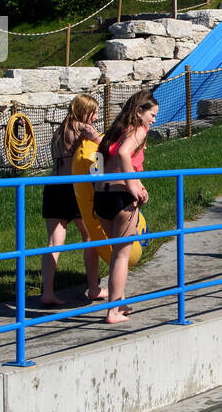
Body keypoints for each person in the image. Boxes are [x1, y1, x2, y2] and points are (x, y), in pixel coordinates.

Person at [94, 90, 159, 324]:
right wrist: (132, 186)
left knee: (116, 255)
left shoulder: (112, 131)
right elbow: (124, 154)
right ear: (139, 112)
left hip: (102, 196)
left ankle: (118, 301)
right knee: (122, 255)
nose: (153, 120)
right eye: (151, 115)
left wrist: (137, 183)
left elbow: (98, 164)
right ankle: (113, 312)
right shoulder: (138, 130)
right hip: (122, 198)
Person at [41, 94, 105, 307]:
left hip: (53, 188)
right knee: (90, 237)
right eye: (93, 113)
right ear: (84, 111)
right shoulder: (81, 128)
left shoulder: (59, 131)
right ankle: (94, 288)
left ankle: (47, 292)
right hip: (73, 189)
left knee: (54, 242)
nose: (95, 118)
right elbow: (103, 145)